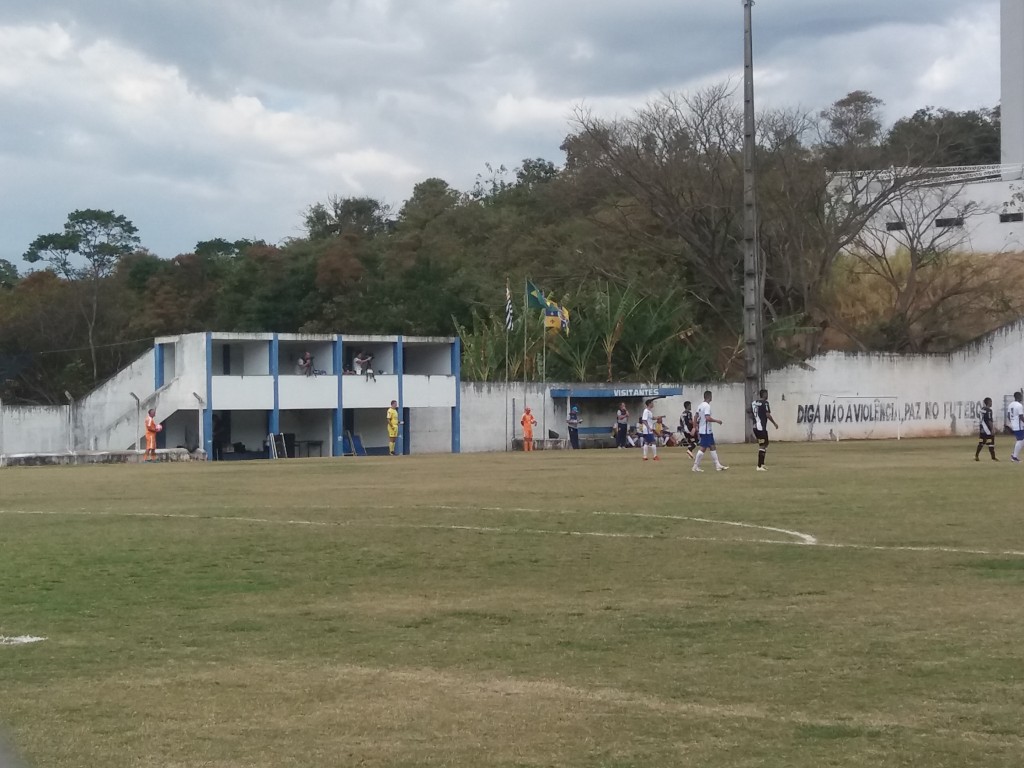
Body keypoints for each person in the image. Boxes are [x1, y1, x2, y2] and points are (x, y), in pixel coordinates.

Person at [692, 390, 728, 472]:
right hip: (706, 430)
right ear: (709, 397)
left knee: (712, 446)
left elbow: (695, 416)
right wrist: (717, 421)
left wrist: (695, 427)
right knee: (703, 448)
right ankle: (695, 466)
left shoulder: (700, 405)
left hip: (705, 430)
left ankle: (717, 465)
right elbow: (707, 418)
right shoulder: (707, 406)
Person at [751, 388, 780, 471]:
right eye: (766, 394)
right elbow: (768, 415)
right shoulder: (765, 403)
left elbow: (748, 411)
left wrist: (754, 419)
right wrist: (774, 423)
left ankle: (762, 464)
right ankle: (759, 466)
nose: (767, 395)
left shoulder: (754, 403)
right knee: (762, 445)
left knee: (766, 443)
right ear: (763, 394)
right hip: (760, 428)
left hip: (756, 427)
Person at [975, 396, 998, 461]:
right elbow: (989, 420)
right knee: (991, 442)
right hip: (987, 429)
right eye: (991, 402)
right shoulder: (989, 410)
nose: (991, 403)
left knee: (982, 442)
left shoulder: (982, 409)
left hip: (982, 429)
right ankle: (993, 457)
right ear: (988, 402)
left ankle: (976, 455)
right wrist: (992, 429)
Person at [1008, 391, 1024, 463]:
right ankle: (1014, 457)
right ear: (1018, 397)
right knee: (1020, 440)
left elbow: (1008, 416)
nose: (1022, 397)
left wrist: (1012, 422)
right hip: (1019, 425)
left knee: (1021, 440)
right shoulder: (1019, 405)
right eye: (1021, 396)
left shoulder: (1010, 405)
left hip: (1014, 425)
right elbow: (1021, 416)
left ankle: (1014, 455)